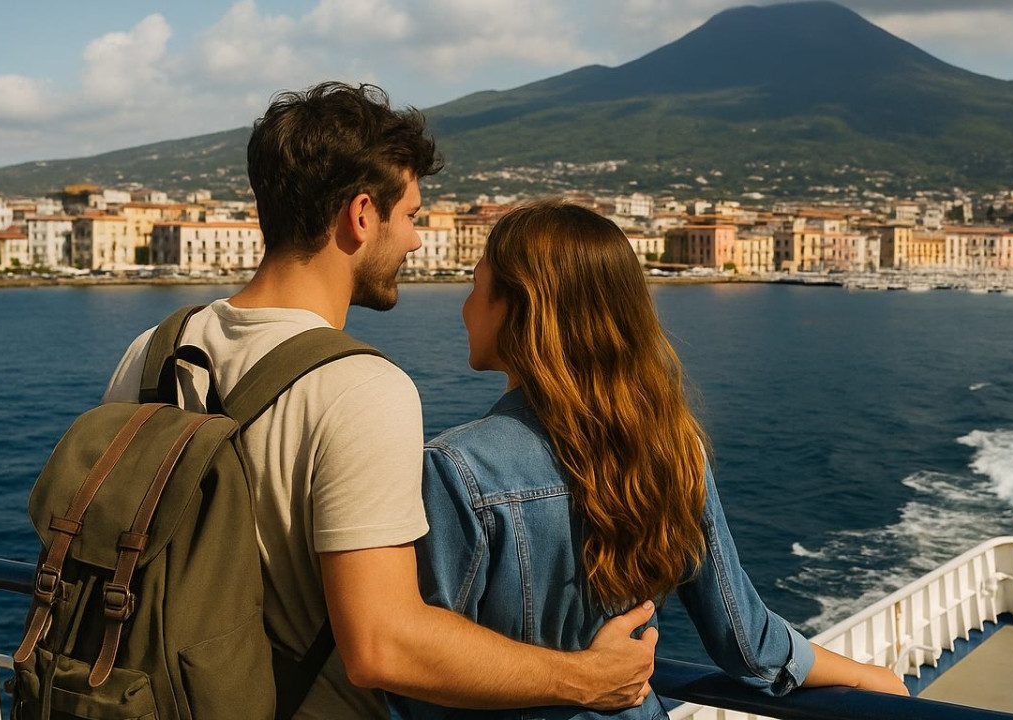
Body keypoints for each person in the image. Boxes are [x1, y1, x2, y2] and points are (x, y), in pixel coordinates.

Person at [102, 84, 656, 719]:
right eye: (413, 216)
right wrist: (586, 678)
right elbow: (382, 646)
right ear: (362, 215)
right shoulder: (361, 389)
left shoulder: (151, 351)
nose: (417, 241)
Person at [394, 202, 908, 720]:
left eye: (476, 288)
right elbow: (746, 641)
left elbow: (420, 665)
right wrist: (865, 677)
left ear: (519, 306)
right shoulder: (673, 450)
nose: (464, 308)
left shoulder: (456, 469)